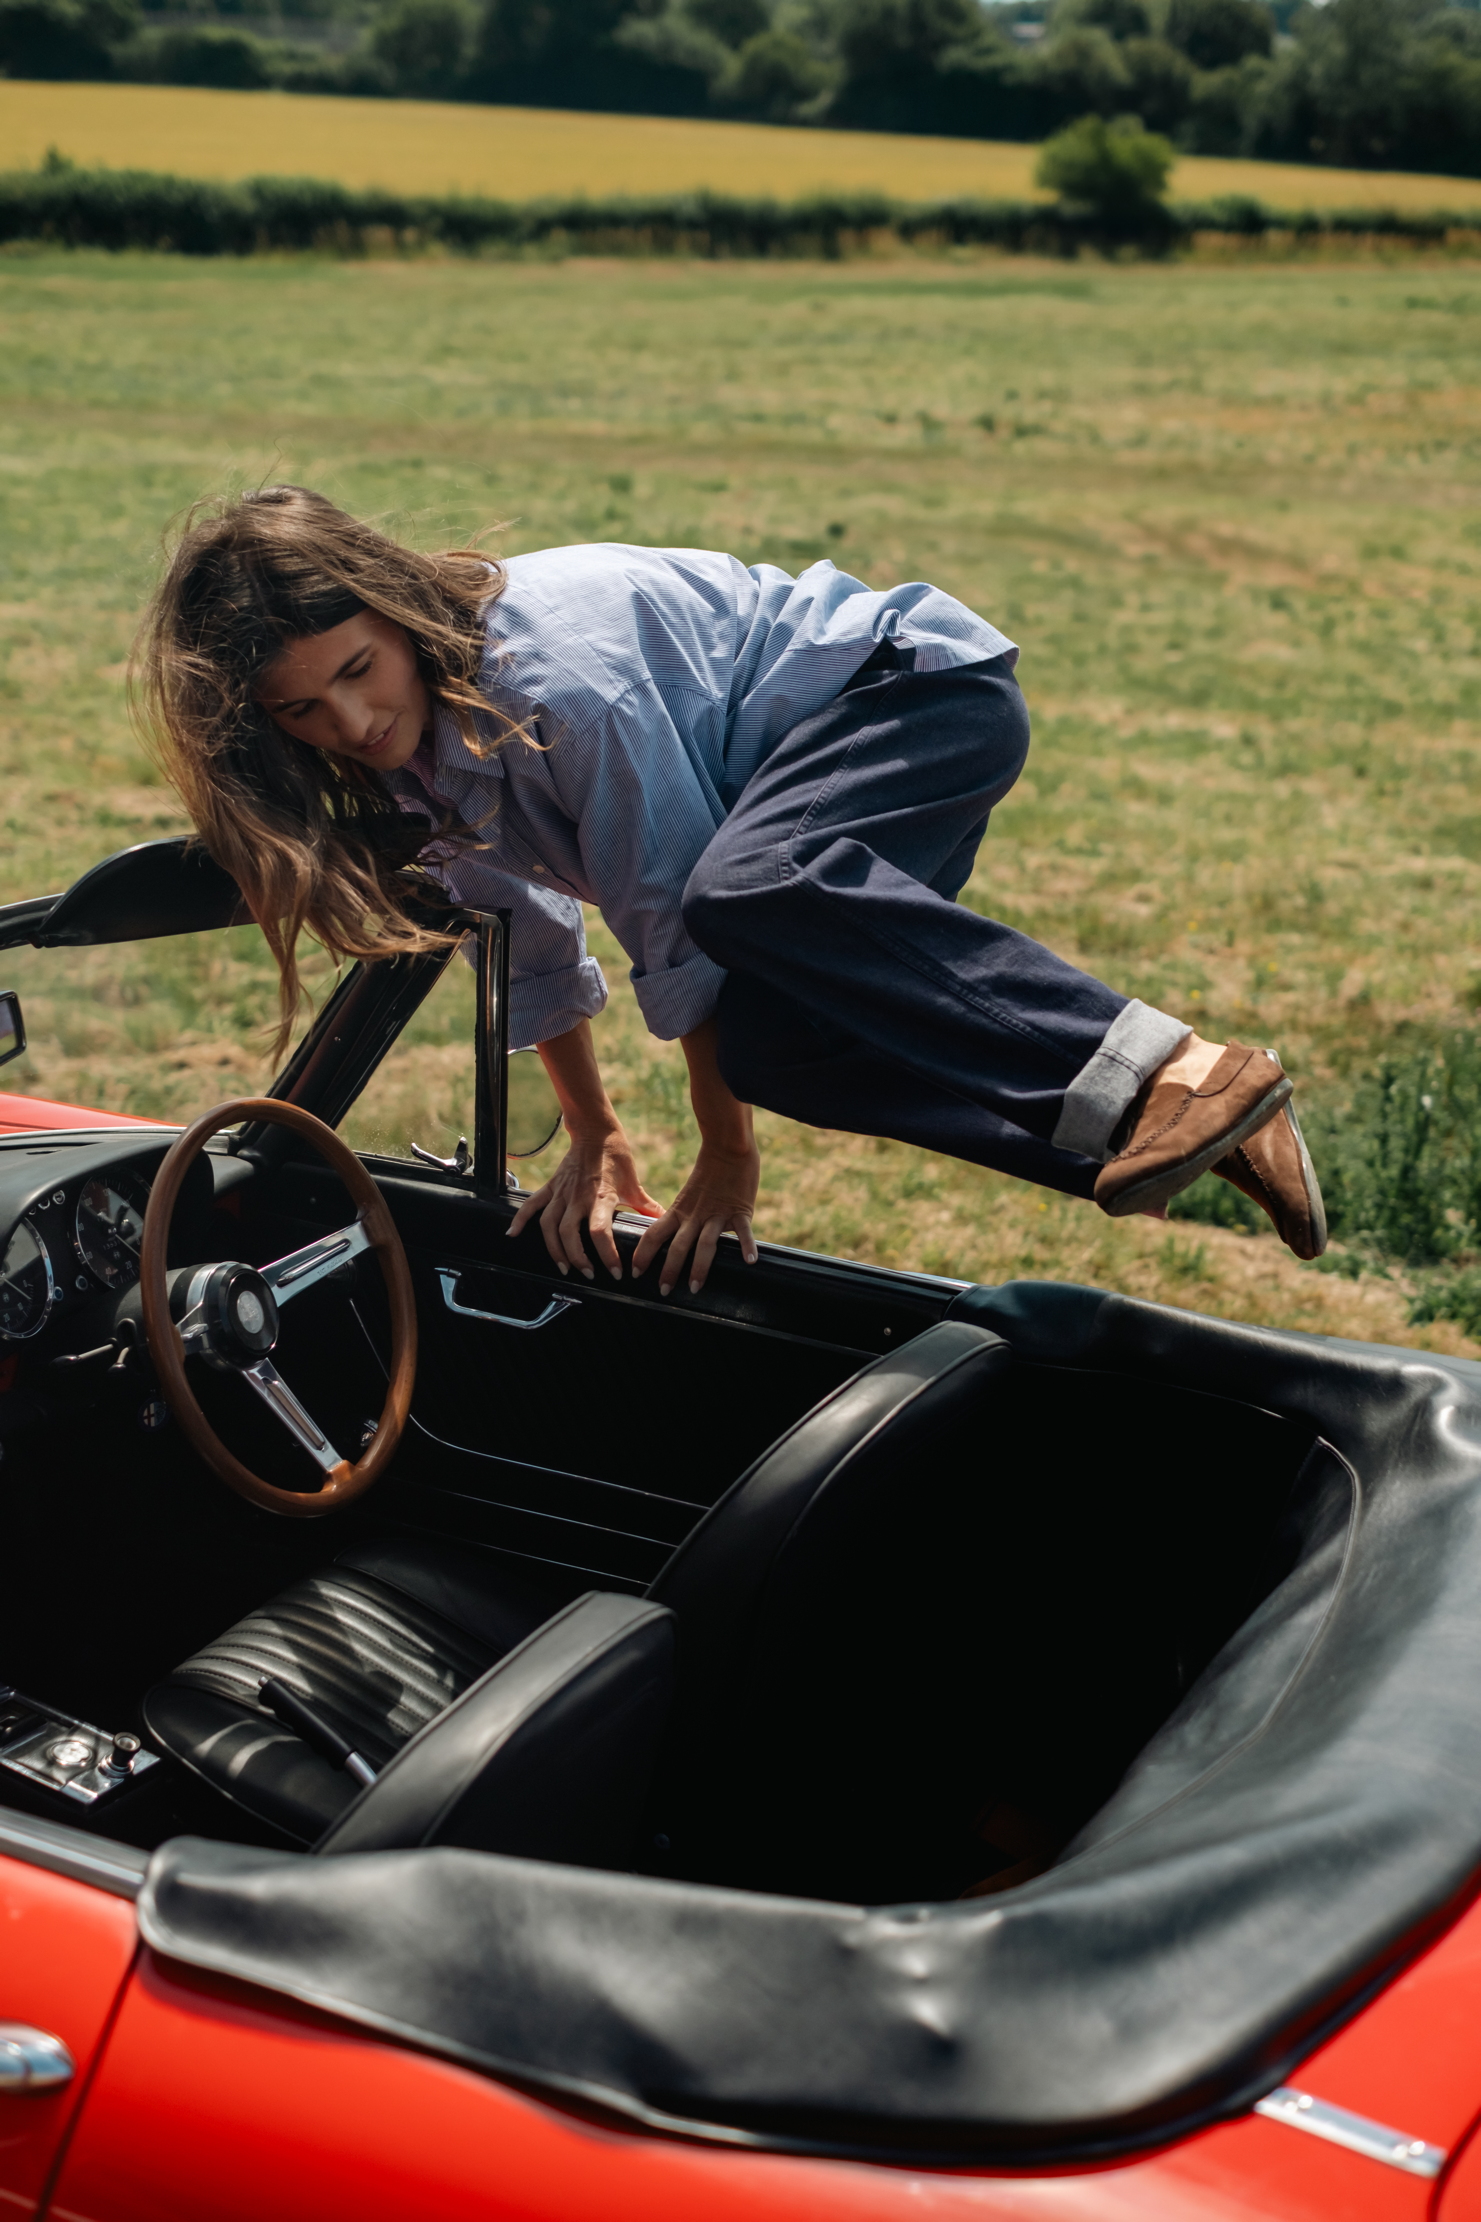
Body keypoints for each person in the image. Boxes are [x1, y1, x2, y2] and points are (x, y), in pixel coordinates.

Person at [136, 485, 1326, 1297]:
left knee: (743, 890)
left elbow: (673, 902)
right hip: (785, 831)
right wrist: (596, 1136)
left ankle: (1186, 1072)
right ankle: (1153, 1137)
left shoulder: (553, 675)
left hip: (912, 698)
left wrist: (723, 1153)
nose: (349, 721)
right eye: (302, 709)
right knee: (771, 1047)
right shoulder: (409, 763)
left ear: (393, 610)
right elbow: (525, 934)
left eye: (357, 671)